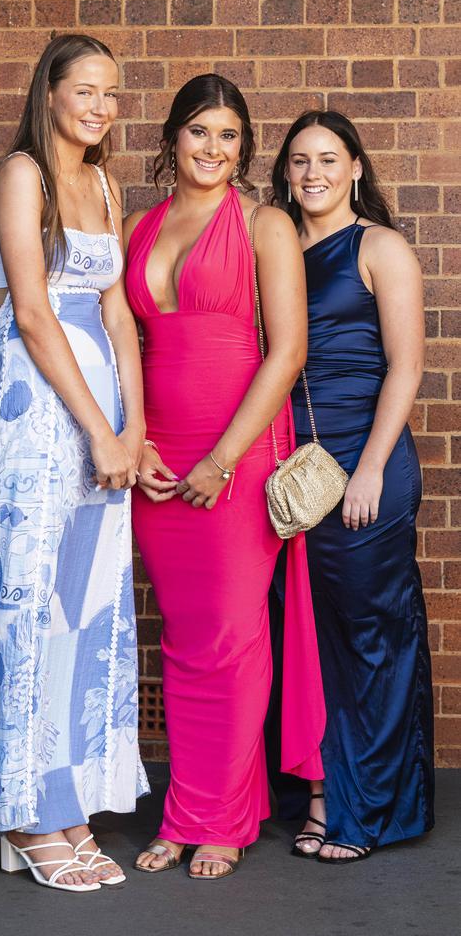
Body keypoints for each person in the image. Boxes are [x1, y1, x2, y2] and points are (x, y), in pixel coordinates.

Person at [0, 34, 149, 892]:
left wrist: (134, 429)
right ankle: (23, 809)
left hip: (103, 419)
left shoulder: (107, 183)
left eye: (112, 94)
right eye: (85, 89)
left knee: (83, 608)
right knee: (28, 597)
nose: (99, 106)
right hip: (42, 416)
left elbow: (119, 318)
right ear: (49, 92)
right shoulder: (23, 176)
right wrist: (96, 430)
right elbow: (38, 319)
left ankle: (65, 799)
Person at [123, 74, 325, 879]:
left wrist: (221, 459)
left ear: (245, 146)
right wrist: (136, 442)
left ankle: (214, 818)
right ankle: (195, 802)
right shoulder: (140, 224)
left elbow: (288, 352)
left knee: (234, 638)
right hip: (159, 458)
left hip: (234, 452)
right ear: (172, 137)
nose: (215, 149)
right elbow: (121, 347)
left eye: (230, 136)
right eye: (200, 132)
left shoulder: (264, 223)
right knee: (183, 636)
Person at [272, 110, 435, 862]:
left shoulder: (380, 247)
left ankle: (368, 813)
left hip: (364, 464)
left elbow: (405, 365)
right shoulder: (271, 246)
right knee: (307, 637)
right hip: (290, 472)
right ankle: (323, 795)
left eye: (329, 159)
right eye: (300, 160)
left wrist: (370, 466)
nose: (313, 173)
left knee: (371, 636)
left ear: (356, 168)